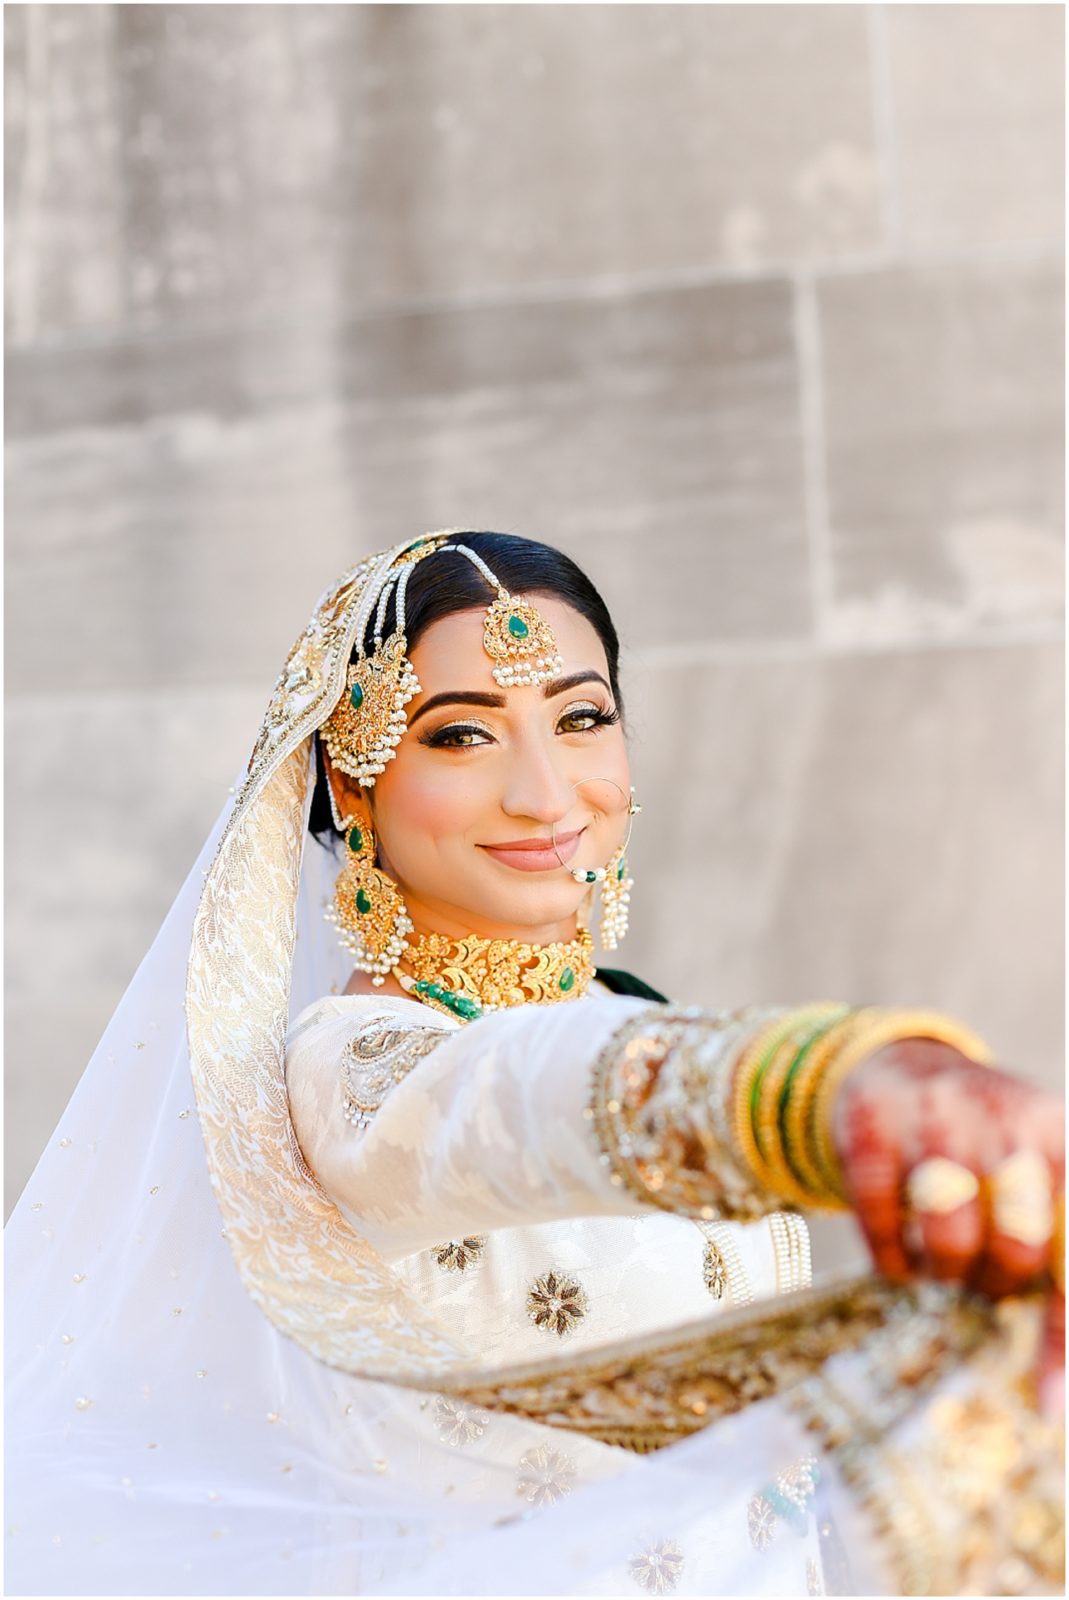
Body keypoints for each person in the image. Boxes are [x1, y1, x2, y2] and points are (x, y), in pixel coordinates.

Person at [6, 530, 1063, 1597]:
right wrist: (822, 1086)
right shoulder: (351, 1072)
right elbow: (506, 1097)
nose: (546, 793)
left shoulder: (631, 1014)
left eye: (581, 717)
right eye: (462, 735)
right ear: (353, 781)